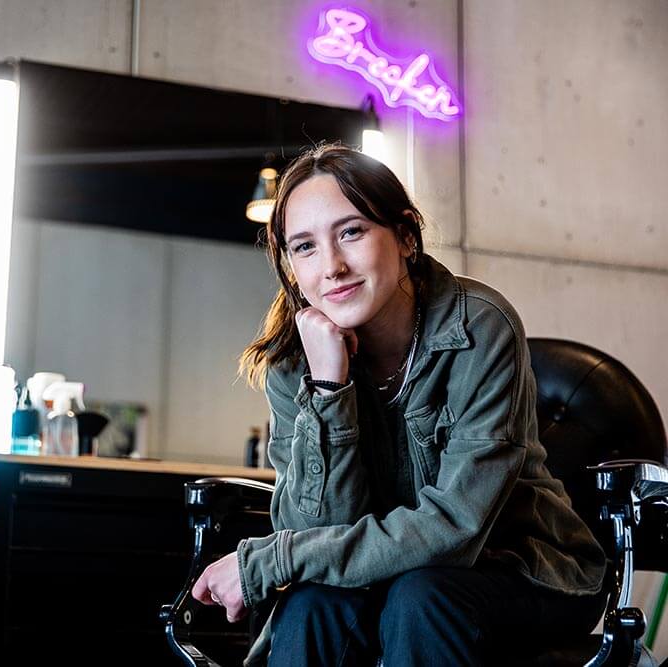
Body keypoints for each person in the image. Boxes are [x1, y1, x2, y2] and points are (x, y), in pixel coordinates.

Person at [191, 144, 608, 666]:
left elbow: (454, 530)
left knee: (421, 598)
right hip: (391, 578)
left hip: (527, 569)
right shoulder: (292, 363)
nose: (333, 266)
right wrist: (328, 388)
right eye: (304, 247)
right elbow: (318, 529)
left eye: (351, 232)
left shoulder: (480, 328)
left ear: (406, 236)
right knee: (311, 603)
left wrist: (271, 560)